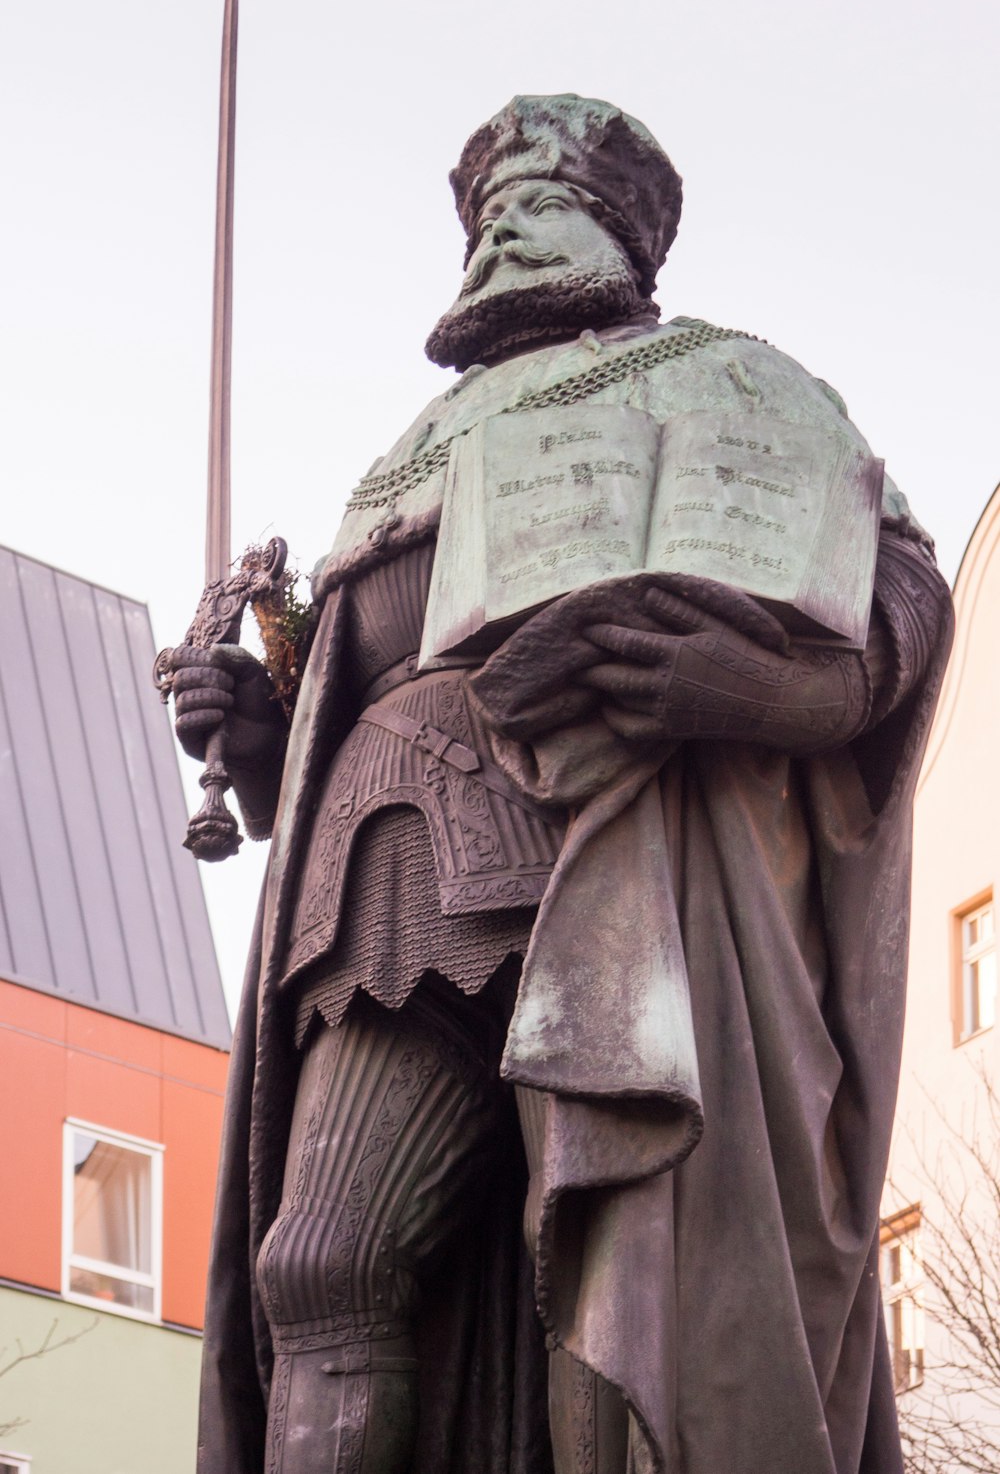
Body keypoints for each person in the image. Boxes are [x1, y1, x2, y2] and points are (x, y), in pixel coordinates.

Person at [175, 96, 953, 1474]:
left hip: (624, 859)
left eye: (543, 198)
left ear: (622, 233)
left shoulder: (729, 380)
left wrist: (775, 690)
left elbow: (891, 584)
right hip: (383, 876)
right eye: (492, 209)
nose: (508, 230)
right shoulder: (405, 454)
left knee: (613, 1287)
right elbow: (344, 698)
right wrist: (260, 735)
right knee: (324, 1266)